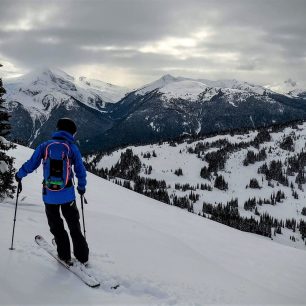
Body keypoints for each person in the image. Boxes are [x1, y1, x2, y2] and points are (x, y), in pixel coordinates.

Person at [15, 118, 88, 265]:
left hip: (49, 195)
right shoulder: (72, 148)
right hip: (68, 194)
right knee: (74, 225)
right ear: (71, 132)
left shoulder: (45, 146)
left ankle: (64, 254)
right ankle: (82, 256)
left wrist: (19, 175)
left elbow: (31, 164)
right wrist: (81, 187)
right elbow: (80, 170)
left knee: (56, 225)